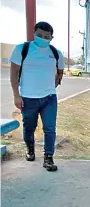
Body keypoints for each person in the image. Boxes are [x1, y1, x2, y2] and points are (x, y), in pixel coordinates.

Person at [9, 21, 65, 171]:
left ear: (51, 38)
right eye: (39, 35)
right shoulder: (22, 49)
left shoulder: (56, 53)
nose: (42, 38)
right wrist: (16, 95)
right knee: (29, 127)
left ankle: (48, 158)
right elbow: (13, 74)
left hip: (49, 98)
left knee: (50, 128)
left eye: (46, 36)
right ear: (34, 34)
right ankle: (30, 149)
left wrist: (54, 84)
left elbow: (60, 72)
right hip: (27, 98)